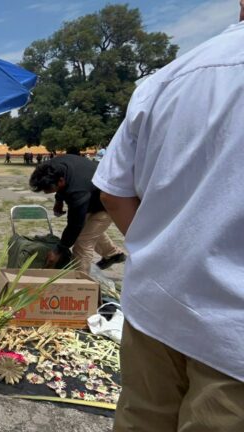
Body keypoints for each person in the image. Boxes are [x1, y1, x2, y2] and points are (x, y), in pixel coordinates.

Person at [93, 5, 244, 430]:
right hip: (230, 330)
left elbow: (112, 193)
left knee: (141, 417)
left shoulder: (166, 80)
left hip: (155, 303)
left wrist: (161, 246)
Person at [29, 154, 126, 272]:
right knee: (89, 230)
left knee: (82, 244)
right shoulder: (51, 167)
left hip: (109, 202)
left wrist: (58, 250)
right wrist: (59, 201)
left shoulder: (77, 191)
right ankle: (113, 254)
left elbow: (74, 225)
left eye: (48, 190)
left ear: (61, 182)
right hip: (93, 193)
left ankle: (81, 281)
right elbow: (61, 186)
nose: (45, 192)